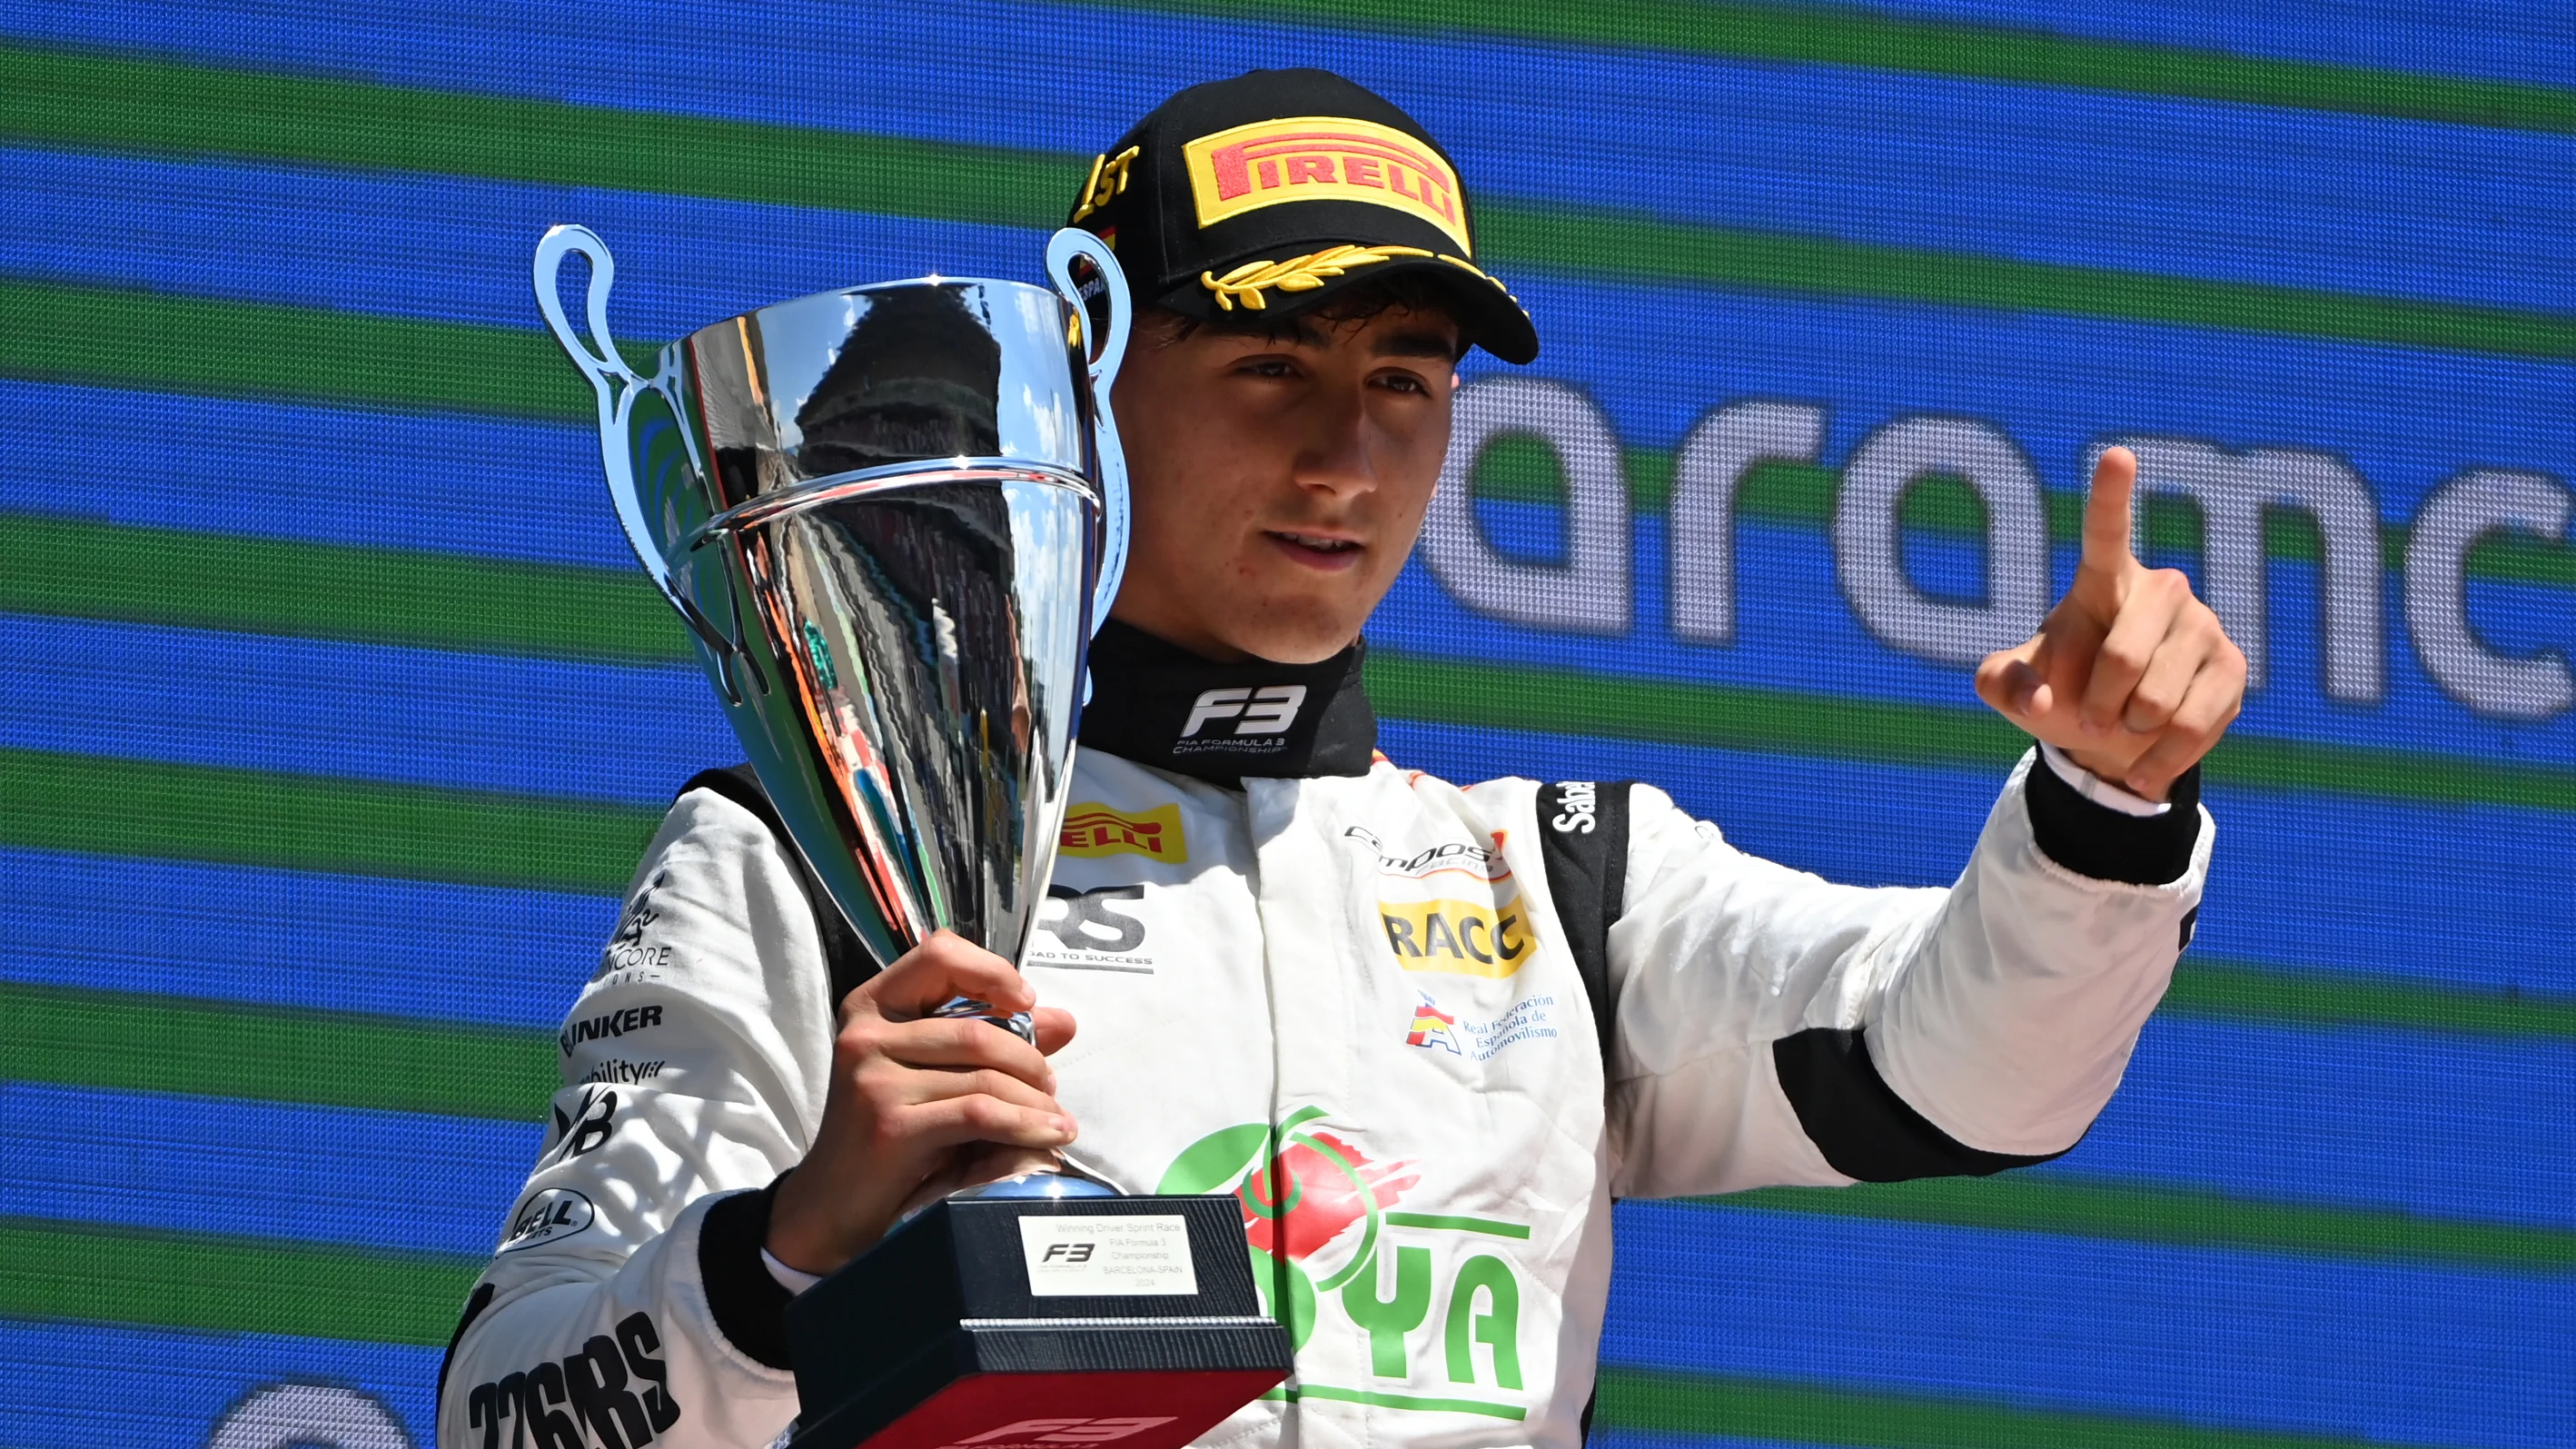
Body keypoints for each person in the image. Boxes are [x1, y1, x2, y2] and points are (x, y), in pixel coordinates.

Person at [437, 68, 2241, 1449]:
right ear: (1086, 378)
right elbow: (511, 1408)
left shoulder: (1559, 878)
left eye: (1403, 376)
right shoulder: (809, 849)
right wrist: (790, 1247)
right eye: (1267, 360)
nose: (1345, 458)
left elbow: (1973, 1076)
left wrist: (2098, 811)